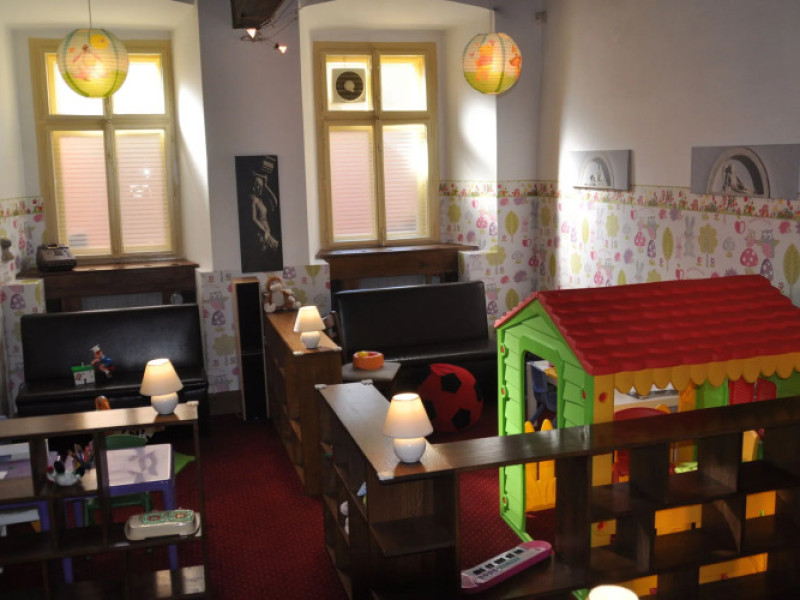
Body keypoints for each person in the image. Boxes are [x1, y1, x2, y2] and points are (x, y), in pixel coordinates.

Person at [251, 157, 280, 251]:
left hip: (266, 231)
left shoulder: (261, 200)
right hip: (261, 231)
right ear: (253, 186)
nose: (259, 188)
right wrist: (265, 231)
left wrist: (266, 186)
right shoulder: (254, 200)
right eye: (257, 185)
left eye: (260, 186)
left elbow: (275, 202)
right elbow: (254, 219)